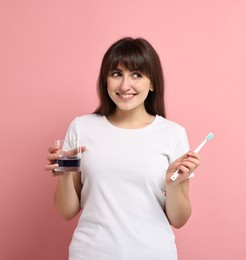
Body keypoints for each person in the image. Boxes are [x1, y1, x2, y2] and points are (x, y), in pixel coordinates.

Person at [44, 37, 201, 260]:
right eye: (116, 74)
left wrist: (173, 185)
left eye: (137, 74)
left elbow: (179, 219)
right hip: (90, 253)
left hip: (153, 254)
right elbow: (67, 211)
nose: (125, 85)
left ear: (153, 82)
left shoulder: (172, 133)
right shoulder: (81, 127)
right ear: (105, 80)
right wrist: (64, 175)